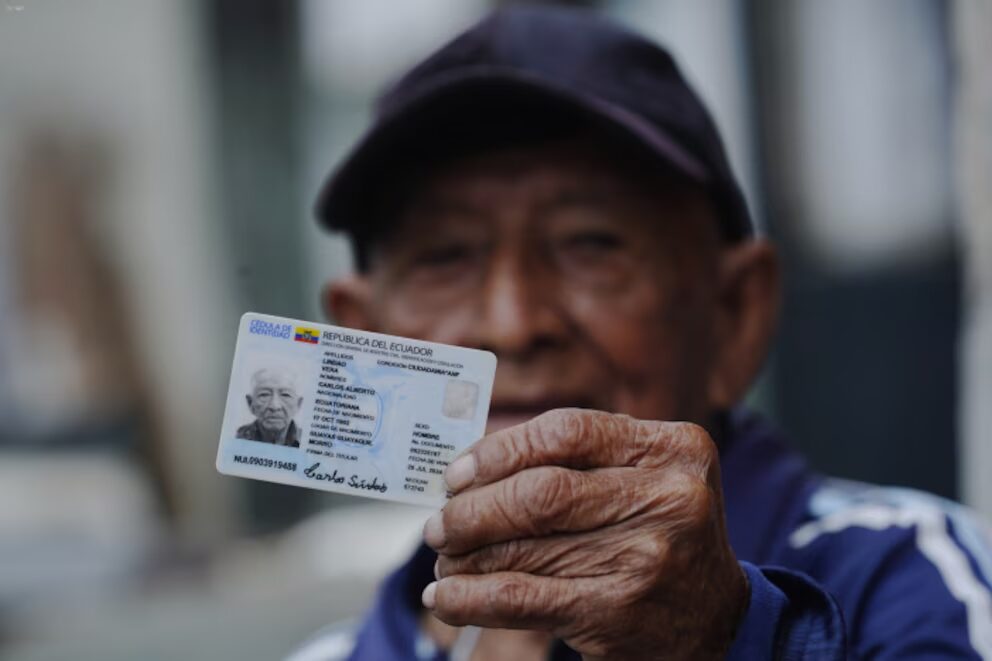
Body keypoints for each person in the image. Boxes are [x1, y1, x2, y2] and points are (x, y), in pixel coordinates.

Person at [300, 6, 992, 659]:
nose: (513, 324)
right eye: (445, 257)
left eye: (590, 244)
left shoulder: (913, 576)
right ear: (363, 335)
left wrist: (727, 640)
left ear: (733, 315)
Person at [237, 367, 303, 448]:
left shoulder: (308, 442)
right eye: (264, 394)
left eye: (285, 395)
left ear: (298, 404)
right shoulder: (236, 438)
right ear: (250, 403)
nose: (274, 406)